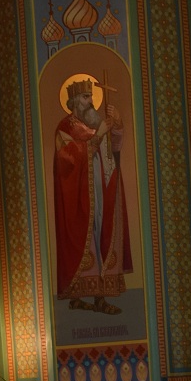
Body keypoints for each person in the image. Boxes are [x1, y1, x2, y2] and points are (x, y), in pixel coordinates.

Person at [52, 77, 131, 313]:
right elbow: (67, 160)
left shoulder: (97, 123)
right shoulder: (65, 128)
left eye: (91, 97)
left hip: (103, 190)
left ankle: (100, 297)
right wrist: (97, 136)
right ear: (74, 101)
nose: (92, 102)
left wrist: (117, 124)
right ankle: (78, 296)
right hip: (79, 198)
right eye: (86, 97)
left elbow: (114, 149)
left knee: (103, 236)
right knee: (87, 240)